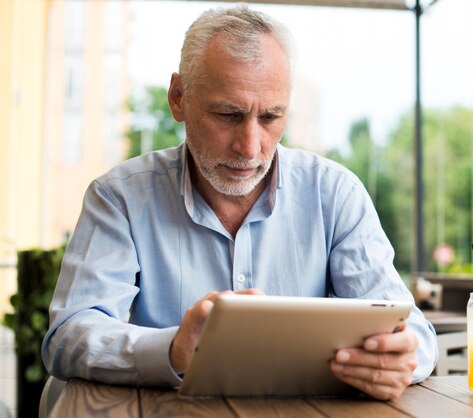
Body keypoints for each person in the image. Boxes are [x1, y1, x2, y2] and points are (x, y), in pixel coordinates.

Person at [42, 5, 437, 401]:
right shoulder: (120, 197)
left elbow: (413, 332)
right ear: (179, 98)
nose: (250, 147)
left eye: (270, 117)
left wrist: (403, 358)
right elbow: (70, 334)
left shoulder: (335, 195)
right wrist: (172, 349)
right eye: (228, 115)